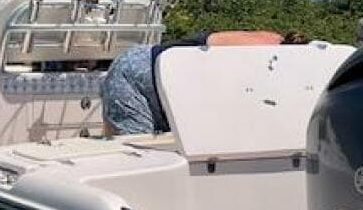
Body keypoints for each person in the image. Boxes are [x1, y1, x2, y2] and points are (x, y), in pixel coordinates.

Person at [101, 30, 290, 136]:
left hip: (167, 85)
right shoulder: (264, 47)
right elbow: (210, 41)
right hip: (136, 74)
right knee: (136, 152)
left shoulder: (282, 58)